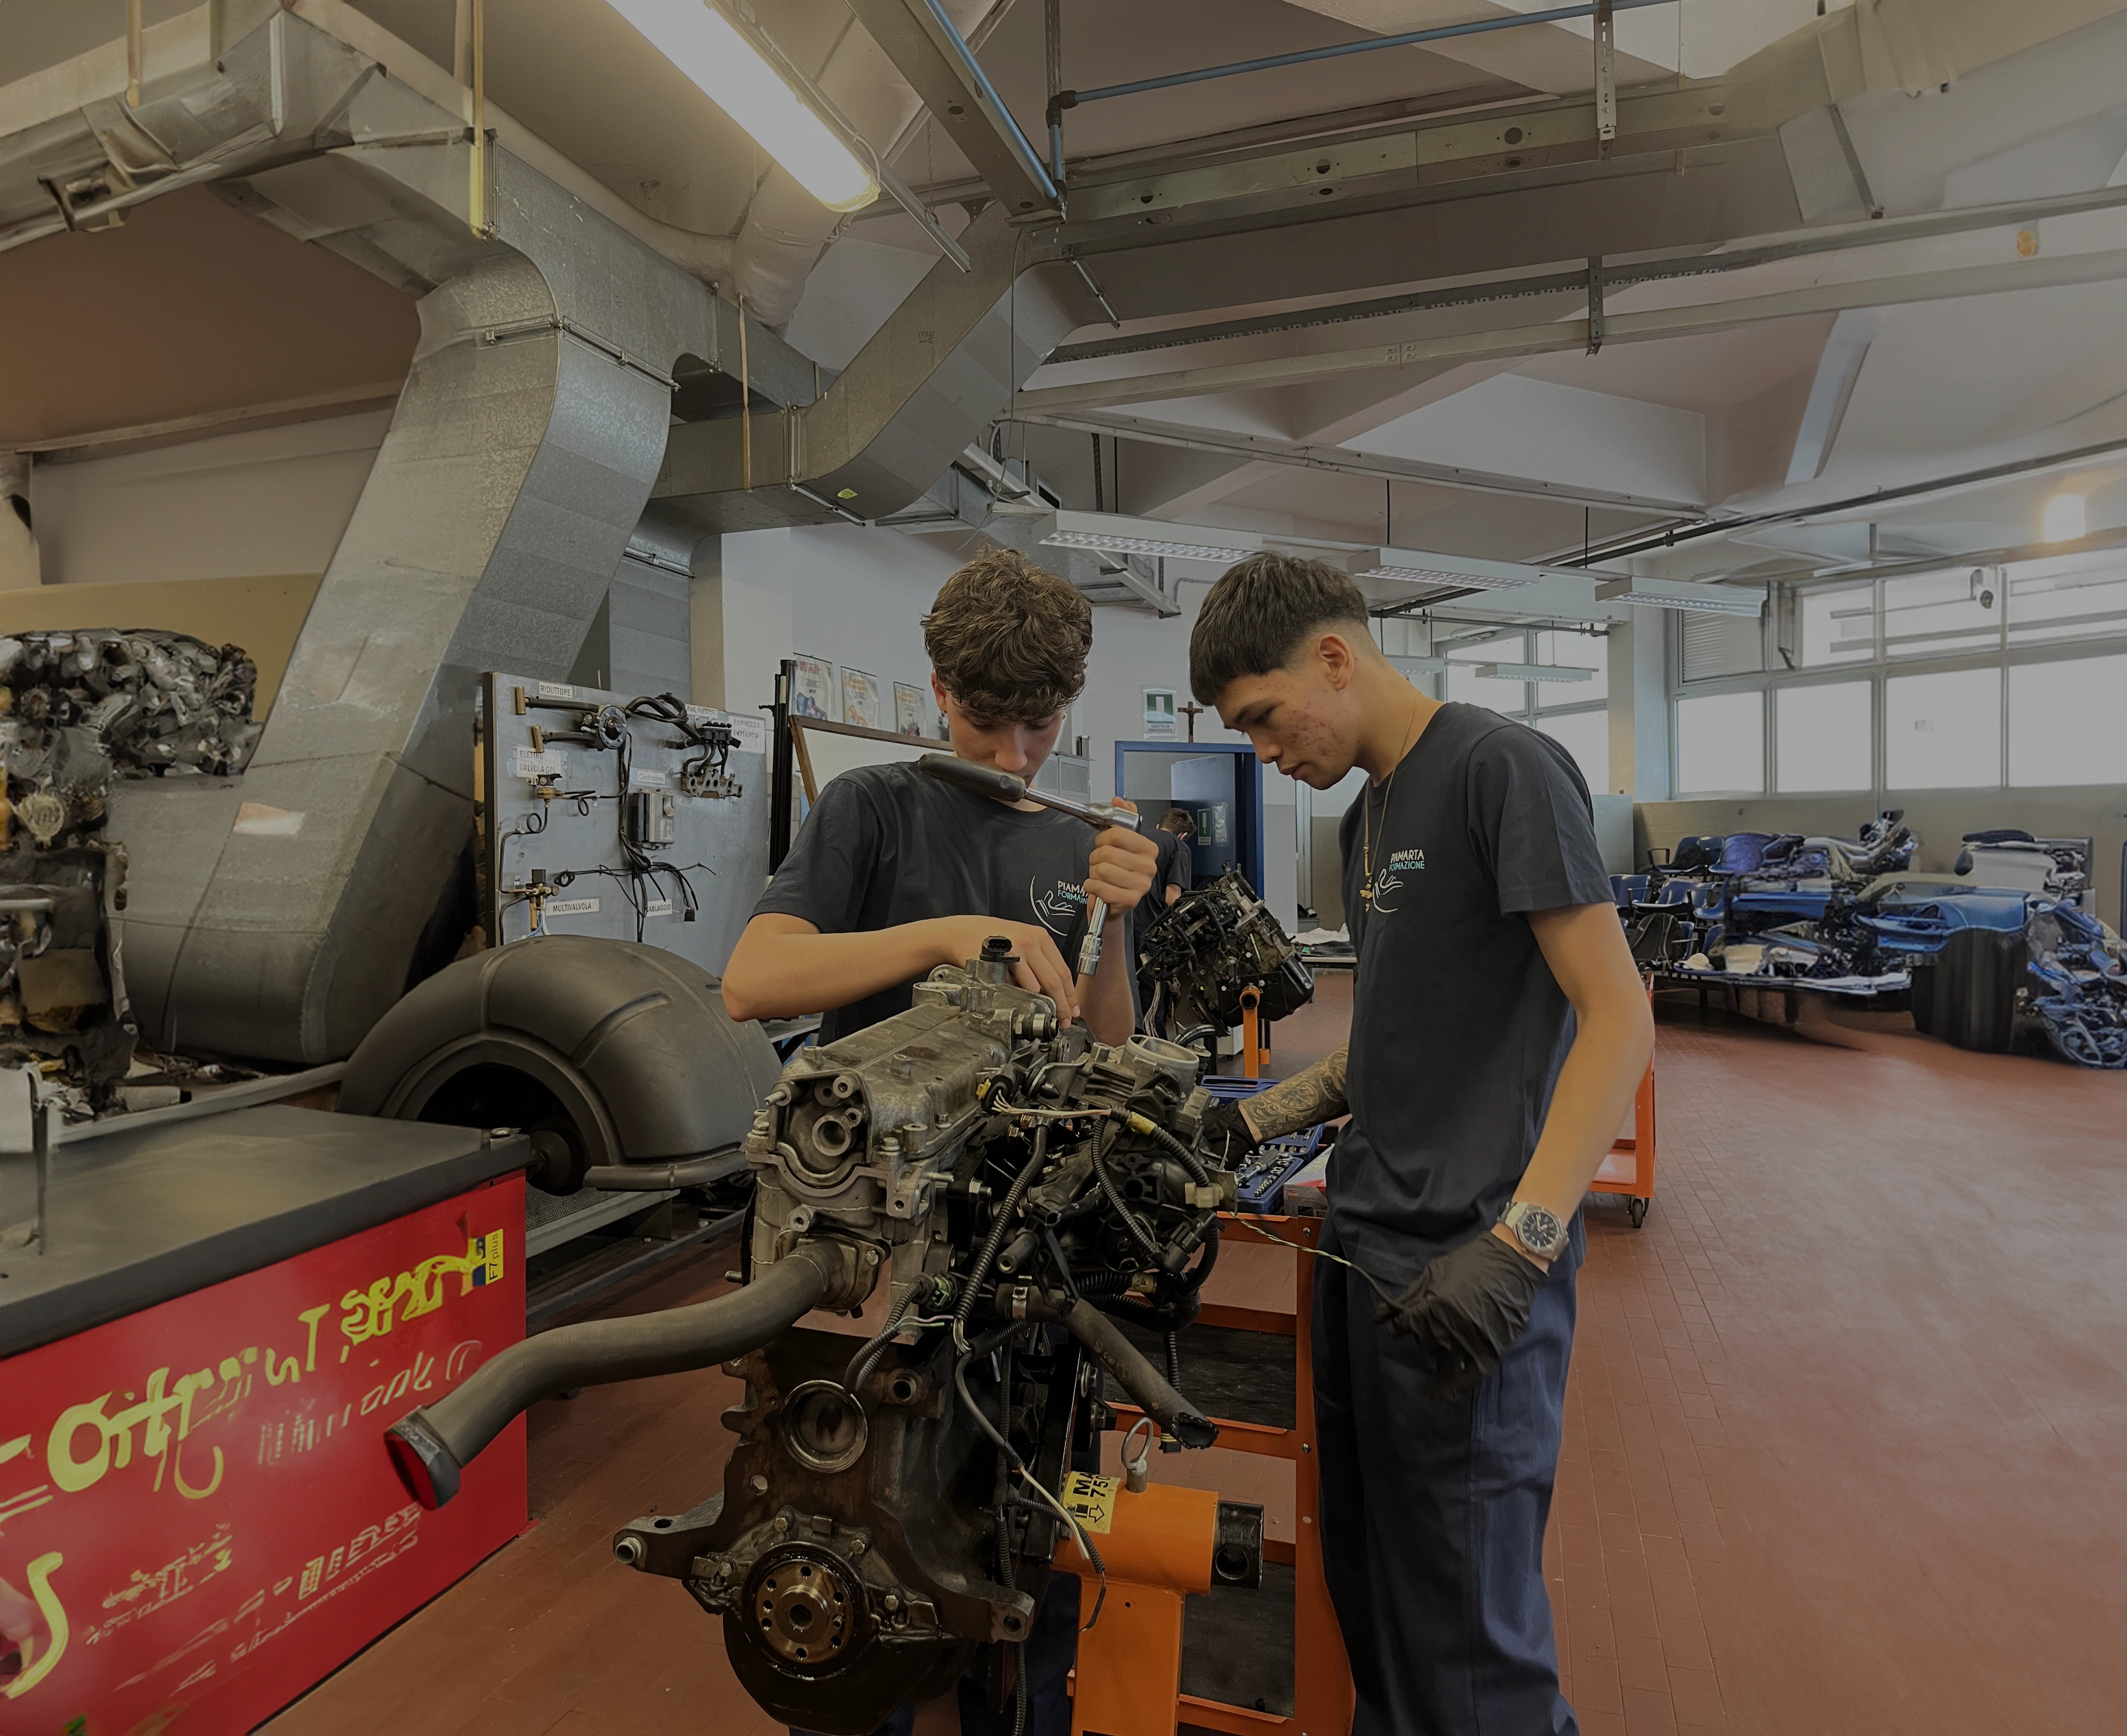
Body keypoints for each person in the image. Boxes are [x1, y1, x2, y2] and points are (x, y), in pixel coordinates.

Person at [1188, 553, 1653, 1736]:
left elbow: (1615, 1014)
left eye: (1263, 717)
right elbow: (1392, 1040)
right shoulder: (1365, 817)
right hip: (1363, 1259)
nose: (1265, 752)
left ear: (1334, 658)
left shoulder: (1503, 769)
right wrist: (1254, 1116)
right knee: (1374, 1597)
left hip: (1470, 1272)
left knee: (1469, 1647)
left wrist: (1524, 1243)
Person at [720, 548, 1160, 1736]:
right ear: (936, 691)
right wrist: (950, 935)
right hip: (869, 1262)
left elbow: (1106, 1046)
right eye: (987, 720)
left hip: (1022, 1259)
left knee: (1025, 1573)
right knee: (865, 1570)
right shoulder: (874, 806)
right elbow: (752, 982)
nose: (1013, 752)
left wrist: (1115, 924)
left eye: (1038, 723)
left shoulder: (1084, 838)